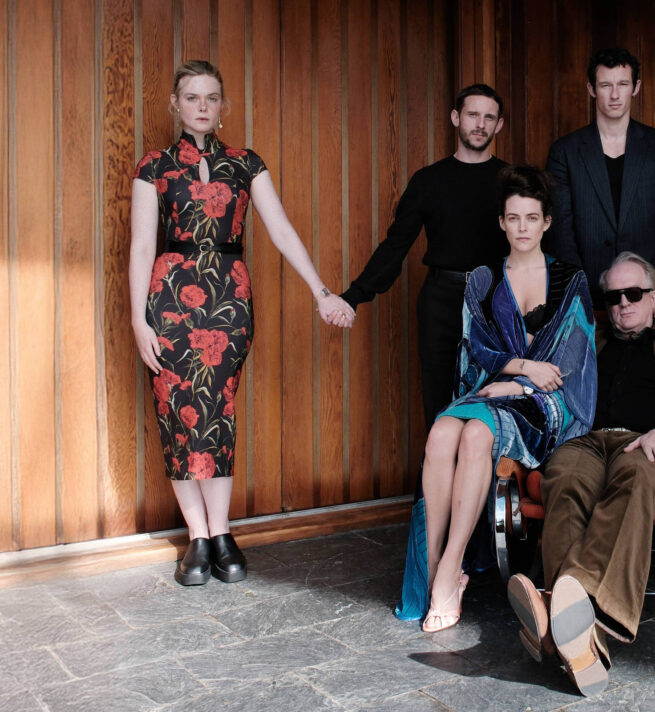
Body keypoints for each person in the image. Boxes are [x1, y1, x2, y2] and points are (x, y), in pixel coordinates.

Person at [130, 60, 354, 587]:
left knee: (218, 410)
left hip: (229, 300)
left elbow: (281, 230)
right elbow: (141, 245)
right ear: (175, 104)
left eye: (211, 98)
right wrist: (139, 319)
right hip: (169, 301)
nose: (203, 106)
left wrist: (322, 291)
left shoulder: (246, 163)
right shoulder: (154, 165)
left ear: (222, 106)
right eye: (192, 97)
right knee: (177, 414)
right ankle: (198, 539)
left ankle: (223, 530)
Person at [507, 252, 655, 696]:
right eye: (613, 297)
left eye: (634, 294)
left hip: (646, 441)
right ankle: (585, 636)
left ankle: (558, 613)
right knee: (564, 479)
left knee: (636, 479)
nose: (623, 304)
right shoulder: (586, 337)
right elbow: (544, 376)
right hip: (586, 441)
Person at [396, 165, 597, 633]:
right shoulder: (483, 279)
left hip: (548, 406)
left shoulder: (570, 279)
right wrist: (522, 369)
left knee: (476, 435)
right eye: (514, 218)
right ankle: (429, 572)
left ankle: (450, 570)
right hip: (490, 389)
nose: (523, 228)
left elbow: (572, 364)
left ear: (547, 221)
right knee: (444, 431)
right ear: (502, 223)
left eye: (532, 218)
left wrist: (521, 384)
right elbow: (477, 350)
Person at [340, 84, 509, 430]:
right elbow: (396, 245)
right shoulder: (428, 181)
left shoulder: (512, 181)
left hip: (497, 299)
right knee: (439, 400)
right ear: (455, 118)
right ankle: (435, 485)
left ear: (499, 125)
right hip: (441, 300)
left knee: (495, 399)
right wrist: (355, 296)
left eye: (488, 117)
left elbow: (536, 245)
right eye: (473, 115)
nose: (480, 124)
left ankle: (487, 484)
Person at [545, 47, 655, 309]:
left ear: (636, 87)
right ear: (591, 89)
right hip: (586, 301)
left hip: (649, 297)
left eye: (622, 84)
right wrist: (579, 293)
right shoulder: (564, 151)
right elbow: (560, 230)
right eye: (605, 85)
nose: (614, 95)